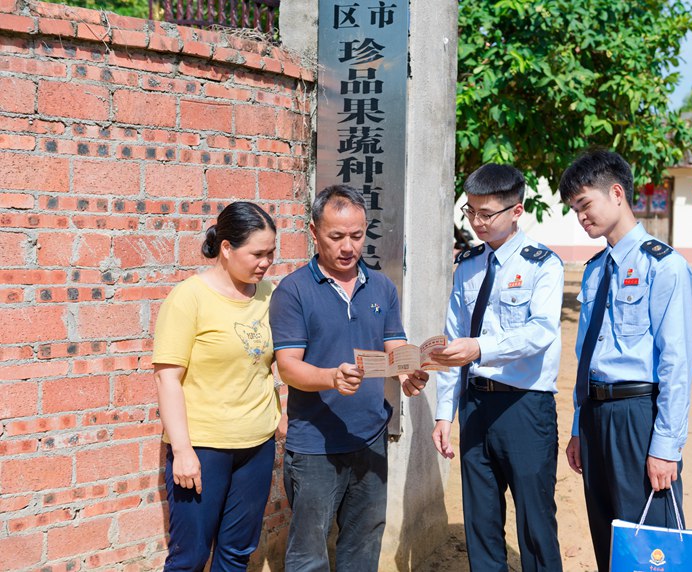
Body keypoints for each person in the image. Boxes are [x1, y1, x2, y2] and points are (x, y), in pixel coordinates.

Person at [269, 184, 428, 571]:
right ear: (313, 232)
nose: (348, 247)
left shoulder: (381, 286)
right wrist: (329, 377)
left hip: (370, 436)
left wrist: (409, 369)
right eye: (336, 236)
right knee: (310, 553)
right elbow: (288, 365)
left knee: (364, 543)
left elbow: (394, 343)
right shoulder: (294, 291)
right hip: (315, 445)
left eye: (356, 236)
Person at [559, 150, 692, 572]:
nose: (581, 218)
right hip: (598, 416)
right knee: (611, 535)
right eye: (574, 210)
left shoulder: (664, 265)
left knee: (651, 543)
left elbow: (677, 361)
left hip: (639, 415)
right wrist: (581, 427)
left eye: (585, 205)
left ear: (616, 193)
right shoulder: (596, 269)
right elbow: (587, 358)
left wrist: (666, 447)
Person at [428, 164, 565, 571]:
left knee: (535, 523)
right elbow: (454, 344)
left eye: (487, 214)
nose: (477, 222)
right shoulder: (468, 264)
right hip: (475, 406)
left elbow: (540, 333)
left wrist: (479, 348)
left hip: (524, 407)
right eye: (470, 212)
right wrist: (444, 414)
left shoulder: (544, 265)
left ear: (517, 211)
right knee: (481, 522)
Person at [153, 201, 286, 571]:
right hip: (203, 448)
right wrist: (182, 450)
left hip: (256, 445)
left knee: (236, 553)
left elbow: (275, 362)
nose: (265, 262)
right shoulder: (189, 298)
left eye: (271, 254)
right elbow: (167, 378)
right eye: (257, 253)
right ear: (226, 248)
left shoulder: (269, 294)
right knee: (190, 556)